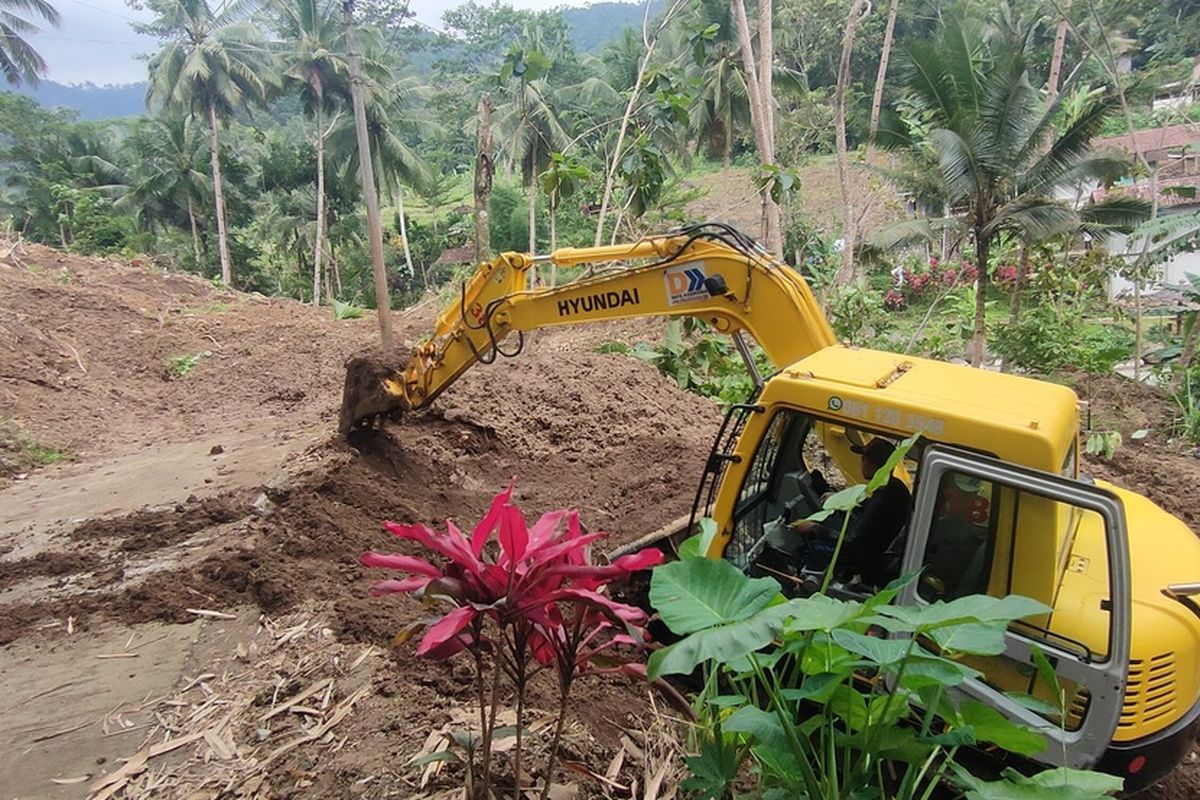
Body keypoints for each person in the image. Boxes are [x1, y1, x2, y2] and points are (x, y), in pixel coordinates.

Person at [789, 437, 912, 586]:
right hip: (878, 548)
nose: (861, 463)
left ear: (874, 464)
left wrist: (814, 528)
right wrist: (842, 499)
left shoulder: (883, 498)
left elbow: (853, 544)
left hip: (867, 560)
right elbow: (869, 507)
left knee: (810, 547)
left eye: (863, 459)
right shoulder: (894, 488)